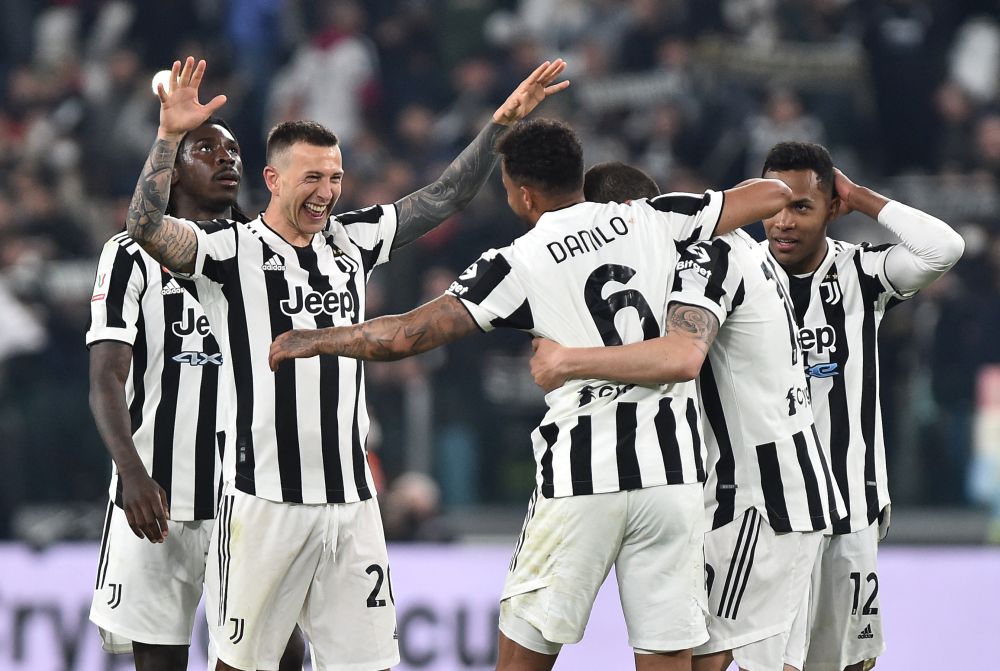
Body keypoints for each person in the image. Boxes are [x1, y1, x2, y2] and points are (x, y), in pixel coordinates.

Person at [268, 118, 795, 671]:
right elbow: (773, 194)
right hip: (672, 477)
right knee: (666, 654)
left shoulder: (517, 261)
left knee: (523, 658)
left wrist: (317, 338)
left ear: (523, 192)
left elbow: (406, 334)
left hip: (581, 478)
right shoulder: (655, 217)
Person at [124, 56, 568, 671]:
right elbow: (144, 226)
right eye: (312, 178)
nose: (328, 192)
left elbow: (444, 197)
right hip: (264, 504)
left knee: (369, 666)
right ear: (274, 181)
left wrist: (499, 127)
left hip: (353, 503)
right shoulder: (228, 253)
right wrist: (169, 138)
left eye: (335, 176)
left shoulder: (350, 239)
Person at [527, 162, 843, 671]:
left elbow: (680, 357)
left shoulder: (706, 253)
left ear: (623, 217)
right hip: (785, 488)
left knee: (704, 662)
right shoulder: (739, 245)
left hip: (758, 499)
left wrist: (568, 361)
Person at [87, 116, 304, 669]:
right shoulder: (129, 254)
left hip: (251, 497)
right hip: (157, 496)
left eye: (233, 148)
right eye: (205, 148)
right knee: (159, 661)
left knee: (279, 658)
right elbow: (106, 375)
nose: (225, 157)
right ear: (172, 171)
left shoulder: (268, 250)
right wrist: (132, 472)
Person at [759, 142, 964, 671]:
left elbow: (943, 249)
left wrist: (859, 196)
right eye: (773, 206)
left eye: (801, 206)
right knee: (769, 661)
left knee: (847, 662)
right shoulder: (734, 276)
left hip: (849, 504)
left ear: (831, 208)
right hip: (763, 510)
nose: (782, 222)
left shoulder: (861, 273)